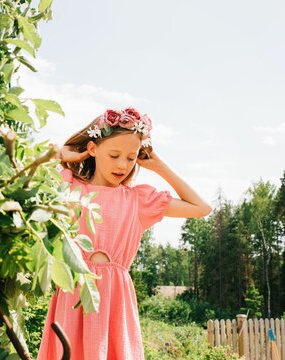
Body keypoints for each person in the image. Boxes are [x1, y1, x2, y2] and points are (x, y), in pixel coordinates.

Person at [37, 107, 212, 360]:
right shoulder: (69, 188)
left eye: (131, 158)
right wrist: (62, 154)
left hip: (114, 298)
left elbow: (201, 208)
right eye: (114, 154)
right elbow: (27, 177)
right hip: (74, 290)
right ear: (93, 149)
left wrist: (160, 167)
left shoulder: (138, 199)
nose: (122, 165)